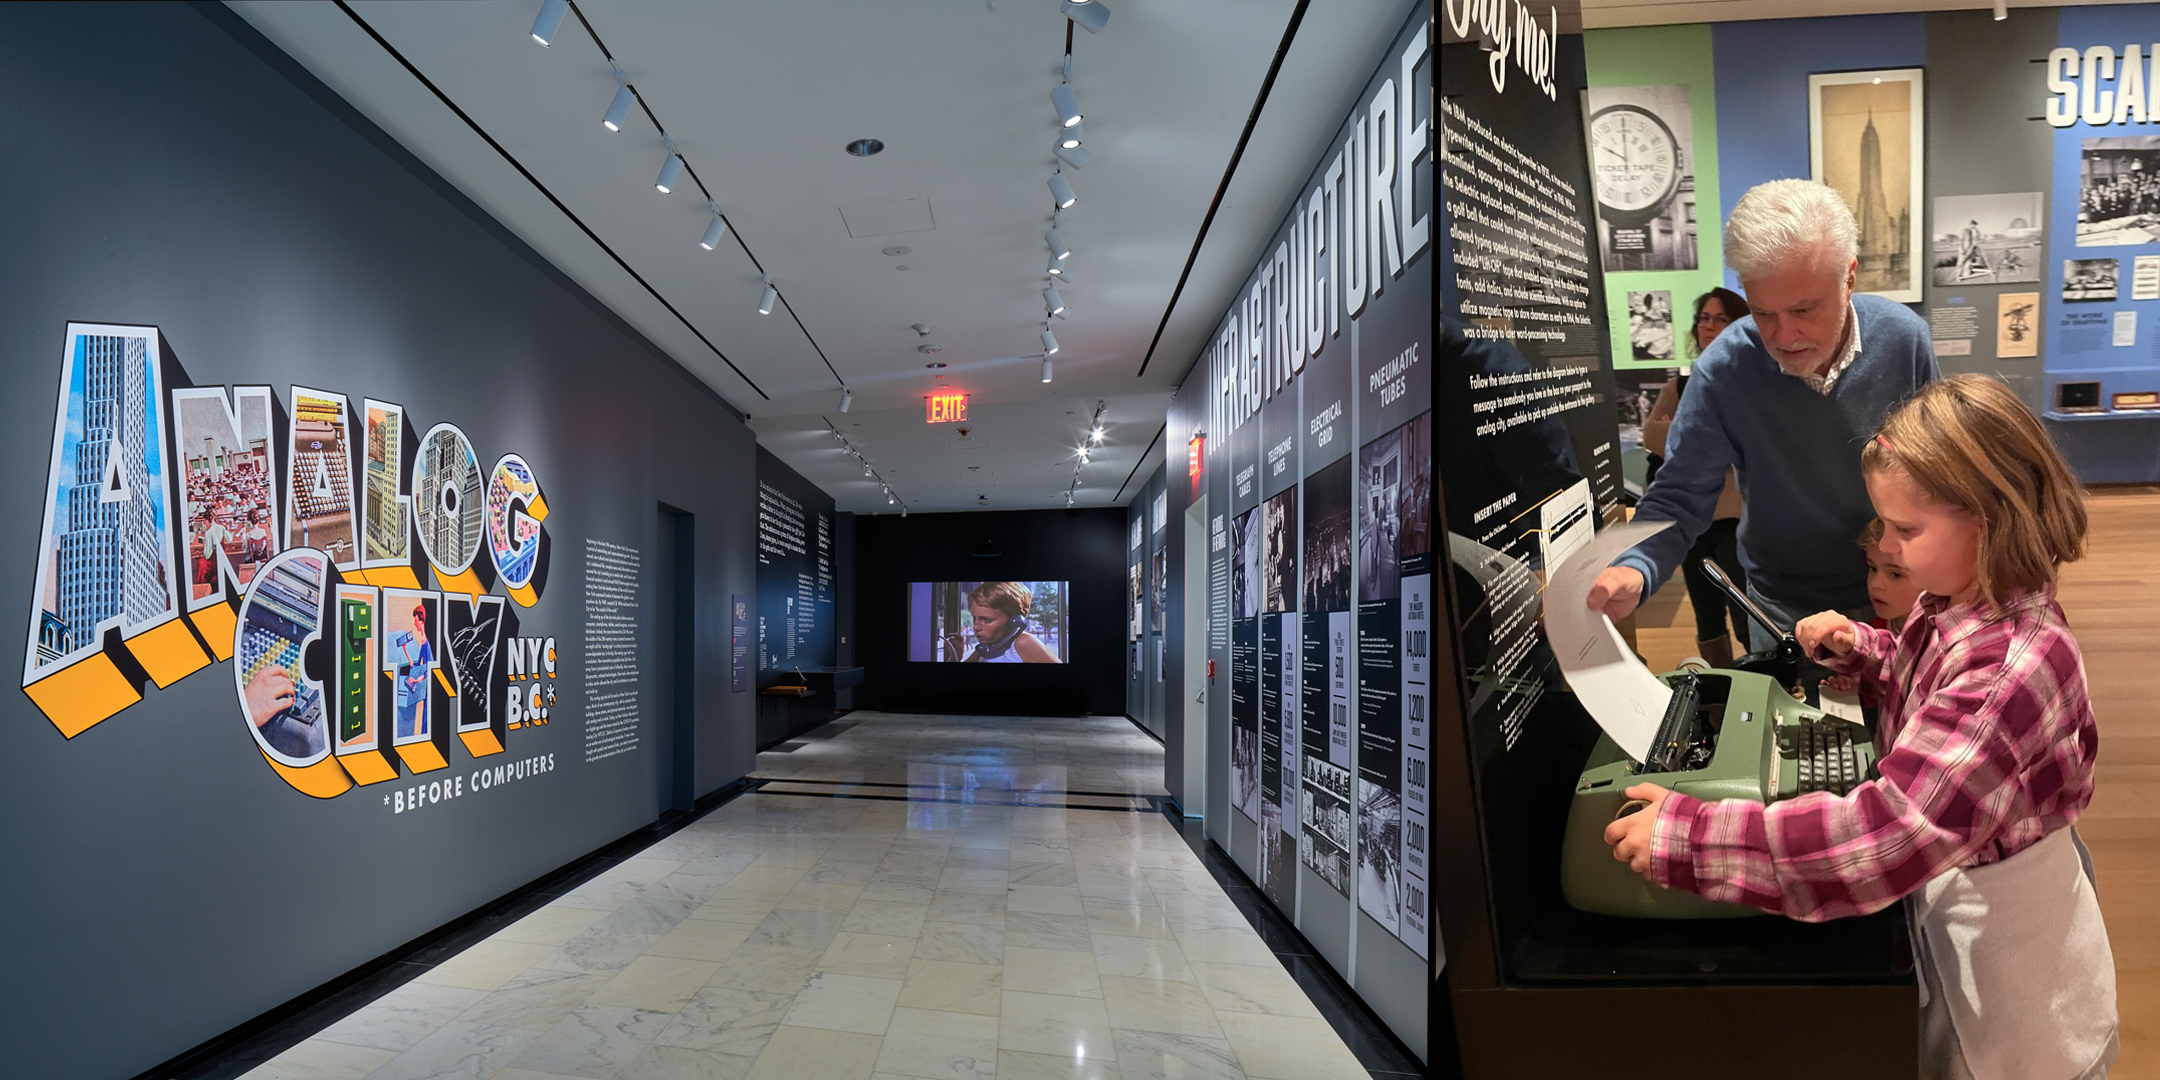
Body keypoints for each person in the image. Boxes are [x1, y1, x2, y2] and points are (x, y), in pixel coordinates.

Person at [1604, 375, 2116, 1080]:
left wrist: (1690, 836)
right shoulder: (1960, 603)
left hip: (2011, 974)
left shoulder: (2008, 671)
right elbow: (1931, 680)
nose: (1893, 549)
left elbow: (1882, 838)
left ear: (1993, 518)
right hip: (1964, 896)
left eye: (1907, 531)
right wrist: (1868, 652)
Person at [1588, 179, 1939, 649]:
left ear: (1849, 276)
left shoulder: (1904, 340)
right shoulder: (1724, 369)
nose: (1784, 335)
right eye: (1763, 313)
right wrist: (1637, 566)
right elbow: (1679, 493)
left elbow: (1939, 472)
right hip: (1782, 607)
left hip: (1900, 596)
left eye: (1803, 309)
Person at [1642, 287, 1750, 665]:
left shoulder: (1751, 383)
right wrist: (1703, 438)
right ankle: (1724, 686)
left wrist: (1690, 435)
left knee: (1745, 612)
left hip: (1738, 520)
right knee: (1707, 615)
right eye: (1704, 318)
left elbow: (1744, 442)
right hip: (1693, 518)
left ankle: (1765, 681)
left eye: (1720, 318)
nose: (1709, 326)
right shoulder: (1683, 385)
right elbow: (1651, 436)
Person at [960, 581, 1059, 663]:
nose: (976, 627)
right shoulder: (986, 648)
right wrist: (955, 656)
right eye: (974, 618)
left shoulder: (1024, 643)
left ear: (1015, 621)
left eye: (987, 620)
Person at [392, 603, 434, 738]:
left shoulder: (428, 643)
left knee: (427, 722)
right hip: (424, 685)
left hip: (430, 689)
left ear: (422, 621)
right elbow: (415, 666)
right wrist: (404, 649)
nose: (414, 623)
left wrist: (417, 679)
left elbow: (429, 669)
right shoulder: (422, 641)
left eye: (416, 620)